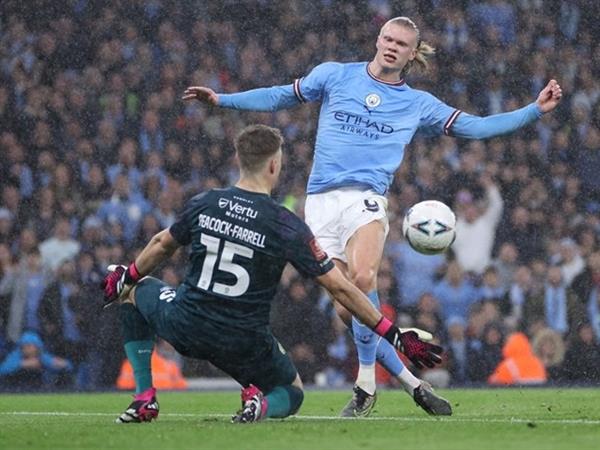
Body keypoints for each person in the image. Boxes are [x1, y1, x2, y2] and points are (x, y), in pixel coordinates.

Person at [182, 16, 562, 416]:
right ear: (378, 40)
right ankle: (412, 384)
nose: (391, 46)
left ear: (412, 54)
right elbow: (280, 96)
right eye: (387, 38)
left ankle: (365, 382)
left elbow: (478, 127)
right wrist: (223, 100)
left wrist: (535, 110)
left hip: (366, 199)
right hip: (321, 205)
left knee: (364, 279)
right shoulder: (334, 75)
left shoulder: (418, 103)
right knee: (349, 309)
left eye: (401, 43)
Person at [101, 125, 444, 424]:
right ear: (273, 165)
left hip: (186, 324)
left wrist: (126, 274)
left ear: (239, 160)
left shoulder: (205, 202)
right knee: (291, 394)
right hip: (242, 341)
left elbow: (162, 244)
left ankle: (145, 396)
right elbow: (341, 289)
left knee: (131, 288)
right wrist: (395, 334)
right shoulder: (285, 223)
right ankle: (260, 402)